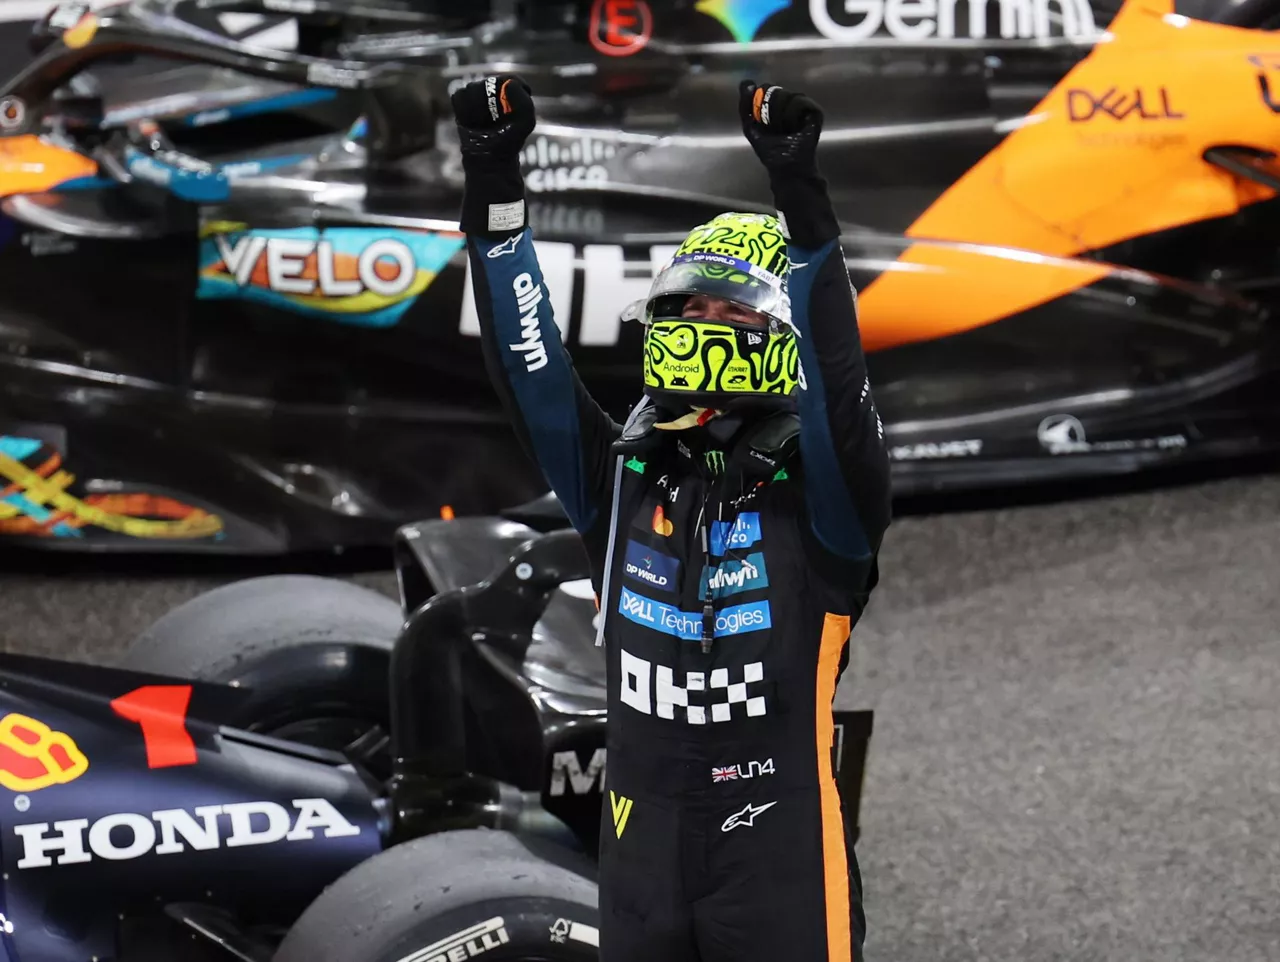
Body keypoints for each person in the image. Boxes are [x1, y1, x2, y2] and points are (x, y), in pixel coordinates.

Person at [451, 74, 891, 962]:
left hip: (779, 859)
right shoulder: (622, 480)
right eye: (690, 304)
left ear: (781, 334)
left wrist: (803, 208)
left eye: (731, 309)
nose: (703, 323)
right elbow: (528, 367)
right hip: (639, 853)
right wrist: (494, 184)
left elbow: (840, 393)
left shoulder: (828, 500)